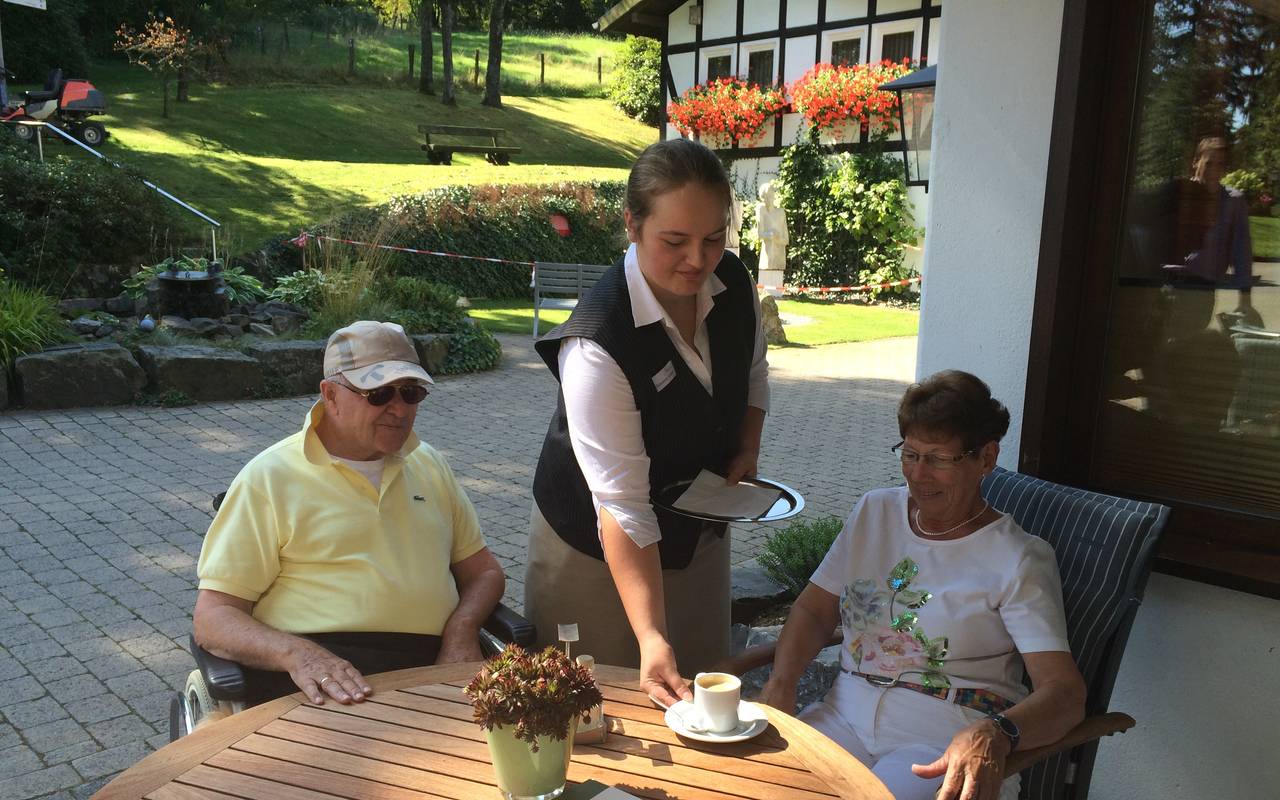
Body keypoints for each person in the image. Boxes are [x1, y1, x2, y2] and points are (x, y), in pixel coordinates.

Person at [759, 371, 1086, 800]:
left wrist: (998, 733)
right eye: (910, 454)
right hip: (844, 716)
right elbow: (813, 610)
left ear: (986, 458)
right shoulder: (874, 512)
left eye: (939, 458)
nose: (919, 474)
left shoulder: (1017, 557)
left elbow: (1065, 694)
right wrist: (782, 682)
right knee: (764, 787)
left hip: (944, 735)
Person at [525, 138, 770, 708]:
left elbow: (754, 370)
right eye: (674, 241)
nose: (697, 259)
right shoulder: (597, 342)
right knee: (608, 712)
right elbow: (621, 505)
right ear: (632, 225)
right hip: (594, 553)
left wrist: (747, 444)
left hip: (696, 531)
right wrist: (652, 636)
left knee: (705, 694)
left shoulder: (734, 285)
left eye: (713, 239)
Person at [193, 321, 505, 706]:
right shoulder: (270, 477)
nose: (399, 409)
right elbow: (213, 618)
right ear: (330, 395)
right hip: (318, 682)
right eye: (378, 394)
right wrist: (297, 654)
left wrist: (463, 628)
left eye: (411, 392)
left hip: (434, 666)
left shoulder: (428, 464)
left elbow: (485, 572)